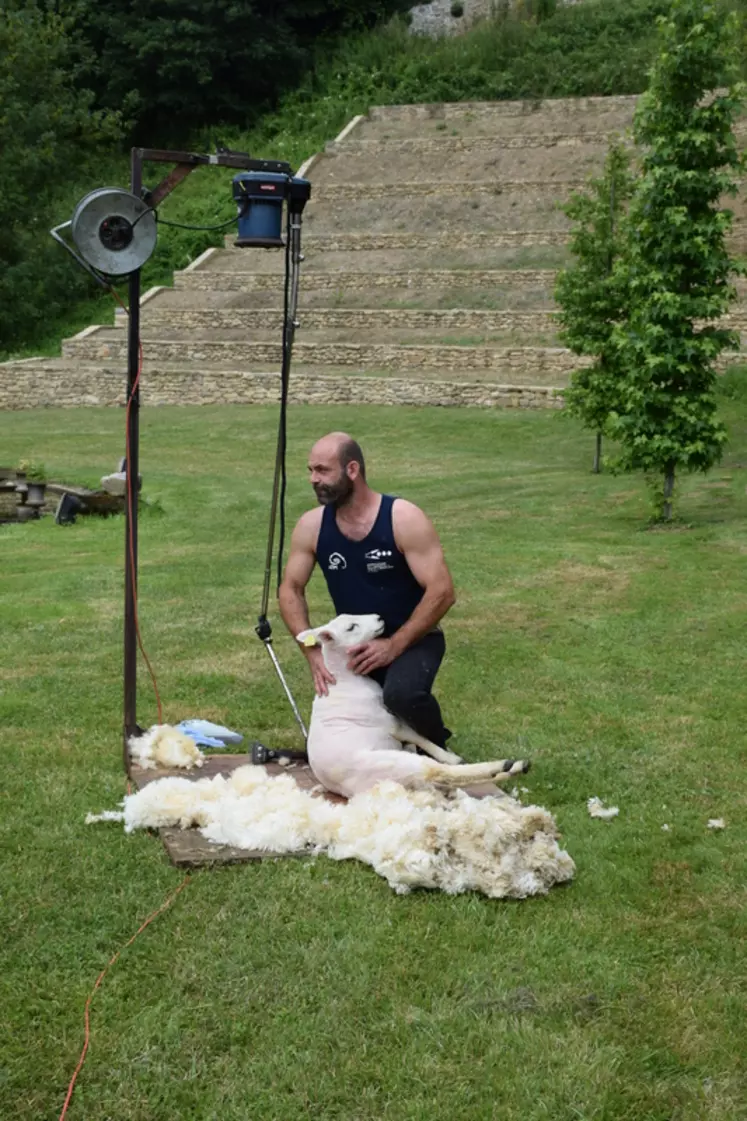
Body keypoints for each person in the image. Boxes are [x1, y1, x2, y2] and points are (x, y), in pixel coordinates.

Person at [278, 431, 456, 748]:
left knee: (402, 696)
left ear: (352, 470)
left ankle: (436, 749)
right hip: (355, 642)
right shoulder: (312, 526)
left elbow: (442, 591)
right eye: (311, 470)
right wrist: (311, 649)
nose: (313, 479)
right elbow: (291, 589)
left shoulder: (402, 518)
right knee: (347, 727)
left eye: (322, 470)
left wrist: (394, 644)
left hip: (414, 638)